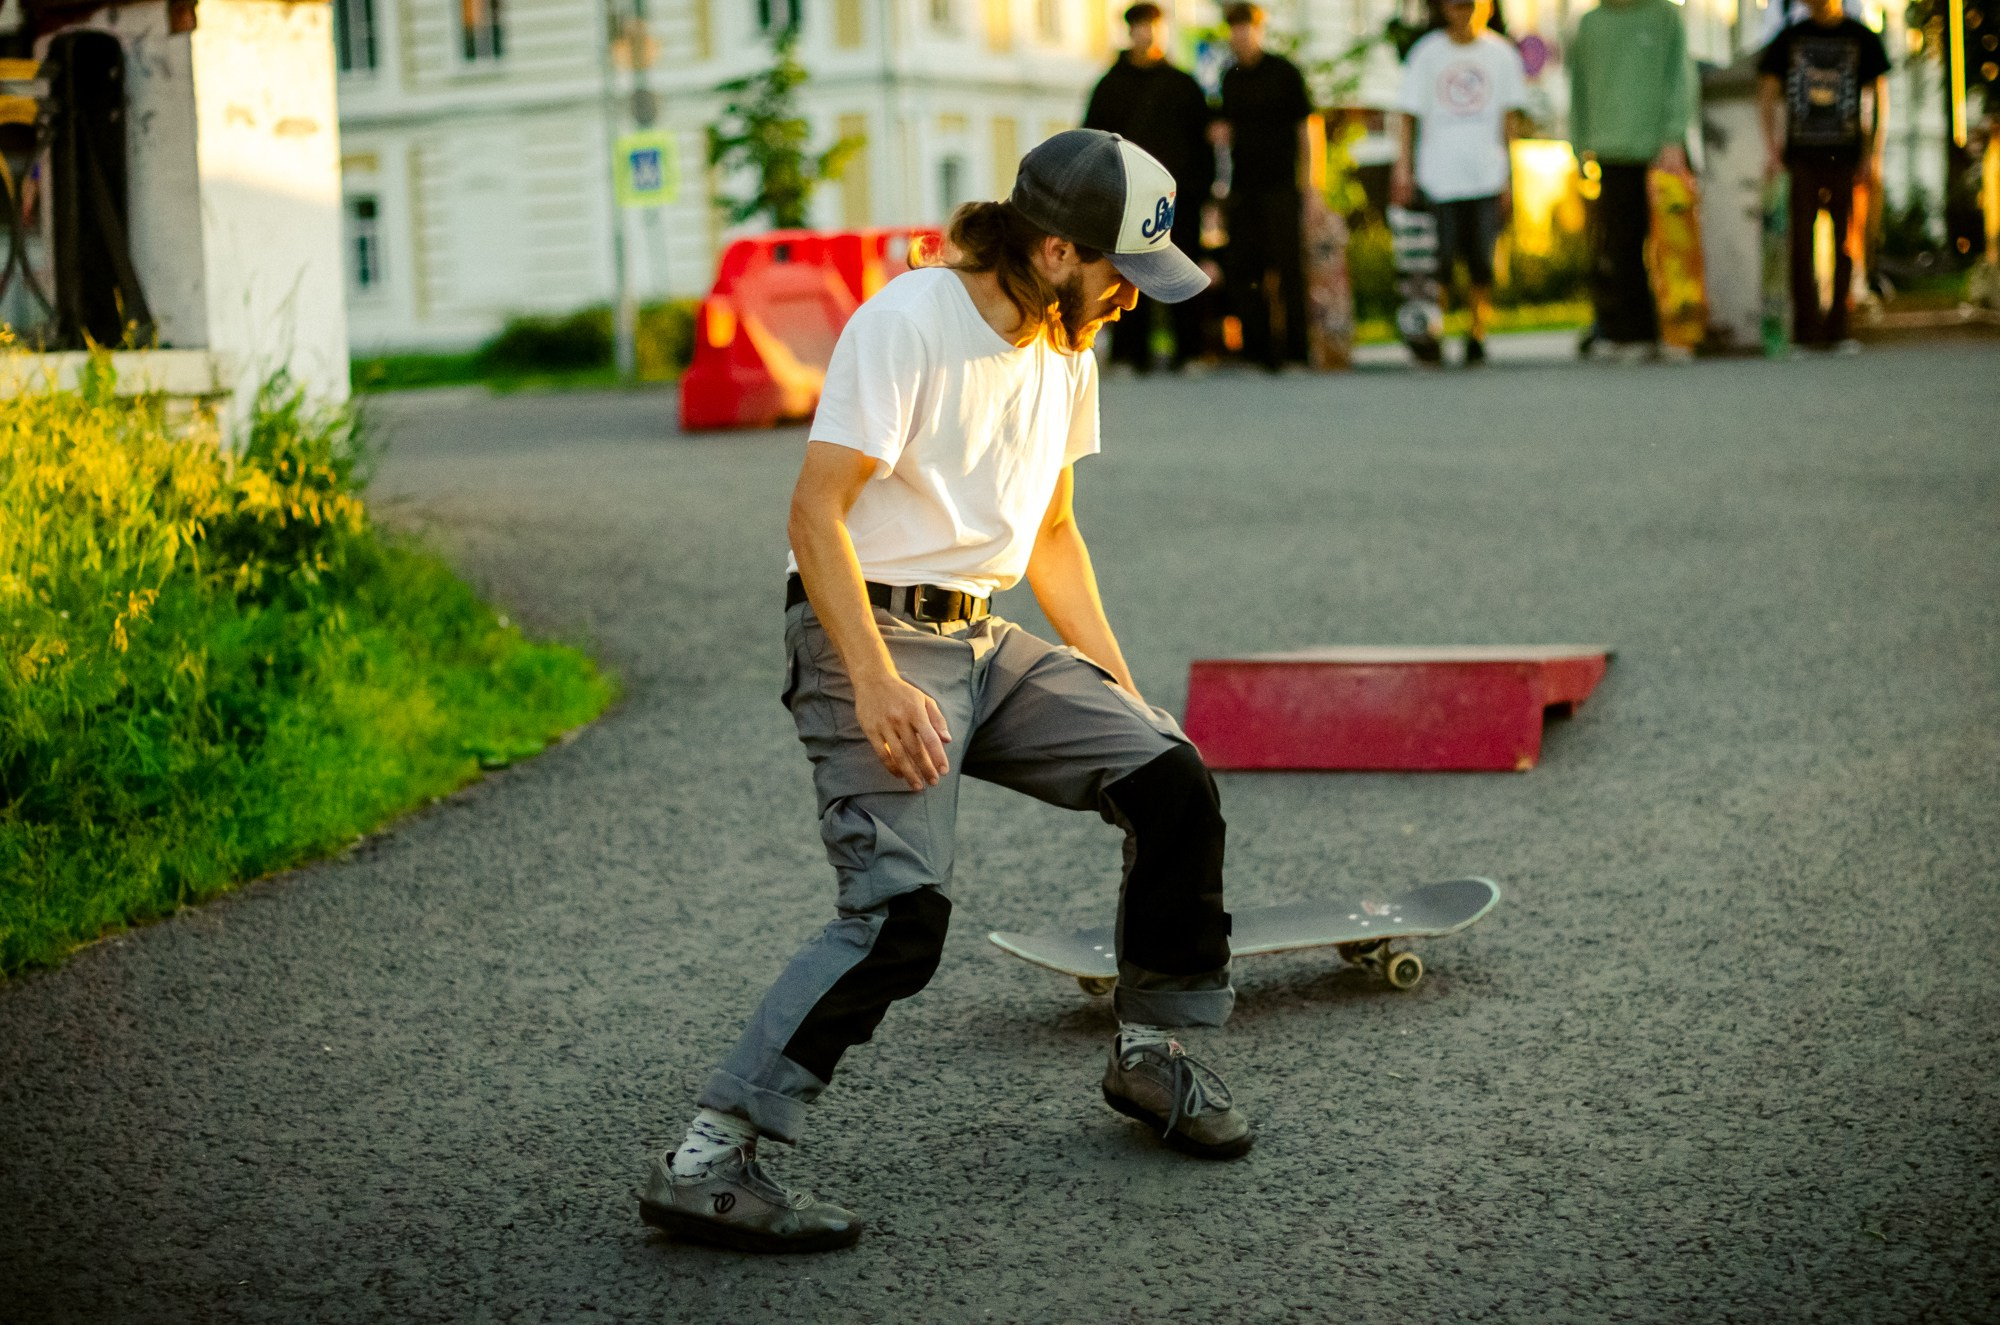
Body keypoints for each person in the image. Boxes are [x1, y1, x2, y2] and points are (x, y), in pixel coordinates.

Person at [636, 129, 1250, 1255]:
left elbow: (1053, 533)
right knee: (899, 918)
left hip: (981, 637)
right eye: (1123, 274)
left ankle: (1151, 1053)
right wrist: (869, 681)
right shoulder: (908, 322)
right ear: (1057, 251)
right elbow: (812, 514)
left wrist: (1122, 690)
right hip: (860, 630)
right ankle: (708, 1155)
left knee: (1171, 778)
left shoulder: (1067, 351)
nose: (1132, 301)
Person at [1392, 0, 1530, 365]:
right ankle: (1433, 331)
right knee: (1440, 261)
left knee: (1482, 260)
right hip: (1439, 175)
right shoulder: (1426, 54)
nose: (1463, 11)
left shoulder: (1501, 54)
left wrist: (1511, 176)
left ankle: (1476, 331)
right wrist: (1402, 168)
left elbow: (1509, 120)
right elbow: (1407, 116)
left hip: (1486, 173)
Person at [1084, 3, 1216, 374]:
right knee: (1126, 273)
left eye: (1154, 25)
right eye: (1141, 26)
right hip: (1127, 197)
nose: (1148, 33)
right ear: (1130, 32)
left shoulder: (1183, 84)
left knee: (1183, 269)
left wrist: (1204, 192)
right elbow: (1094, 140)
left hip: (1179, 197)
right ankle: (1130, 354)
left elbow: (1202, 144)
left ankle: (1189, 351)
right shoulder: (1110, 85)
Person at [1756, 0, 1890, 351]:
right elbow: (1767, 91)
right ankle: (1806, 330)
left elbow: (1879, 96)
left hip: (1846, 155)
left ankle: (1839, 330)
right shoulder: (1791, 37)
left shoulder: (1861, 37)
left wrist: (1873, 153)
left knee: (1847, 241)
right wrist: (1771, 149)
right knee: (1800, 242)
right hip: (1800, 155)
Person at [1566, 0, 1696, 358]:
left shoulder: (1664, 15)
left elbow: (1680, 77)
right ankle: (1631, 334)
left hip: (1659, 150)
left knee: (1673, 245)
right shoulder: (1590, 25)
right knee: (1619, 247)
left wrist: (1674, 136)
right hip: (1609, 149)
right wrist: (1579, 147)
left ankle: (1678, 329)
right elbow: (1577, 86)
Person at [1217, 2, 1321, 372]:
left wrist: (1310, 186)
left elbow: (1307, 130)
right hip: (1245, 189)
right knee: (1247, 270)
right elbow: (1224, 134)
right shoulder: (1229, 78)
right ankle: (1258, 350)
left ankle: (1296, 350)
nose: (1241, 35)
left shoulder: (1284, 72)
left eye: (1247, 27)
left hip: (1282, 185)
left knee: (1288, 269)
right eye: (1235, 28)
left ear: (1260, 31)